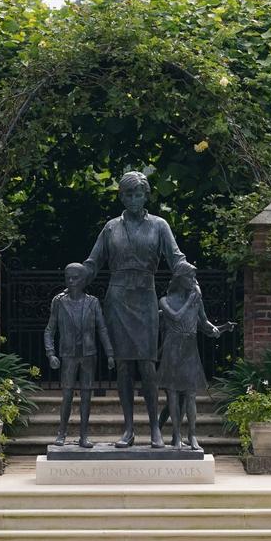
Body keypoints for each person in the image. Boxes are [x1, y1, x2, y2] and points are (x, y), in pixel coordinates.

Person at [82, 171, 187, 448]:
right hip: (117, 299)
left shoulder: (159, 226)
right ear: (121, 196)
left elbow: (175, 258)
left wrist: (186, 271)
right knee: (124, 366)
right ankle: (128, 428)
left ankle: (154, 427)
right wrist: (78, 276)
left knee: (147, 365)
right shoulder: (110, 228)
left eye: (138, 194)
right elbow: (93, 262)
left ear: (146, 195)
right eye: (128, 194)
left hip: (145, 298)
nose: (133, 199)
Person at [157, 261, 235, 450]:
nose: (193, 280)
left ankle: (192, 436)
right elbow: (175, 317)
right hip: (172, 348)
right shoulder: (165, 300)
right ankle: (176, 436)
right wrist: (190, 301)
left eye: (194, 277)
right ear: (180, 278)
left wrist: (220, 328)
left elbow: (205, 323)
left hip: (190, 349)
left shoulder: (196, 299)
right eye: (190, 277)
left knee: (190, 395)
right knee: (173, 395)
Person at [44, 263, 115, 448]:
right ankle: (62, 433)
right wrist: (50, 353)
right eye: (68, 278)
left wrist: (109, 353)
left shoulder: (92, 302)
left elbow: (102, 329)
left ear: (84, 280)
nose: (71, 281)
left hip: (88, 355)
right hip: (68, 355)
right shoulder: (59, 301)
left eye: (75, 278)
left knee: (86, 396)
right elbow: (50, 330)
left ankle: (84, 435)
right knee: (67, 395)